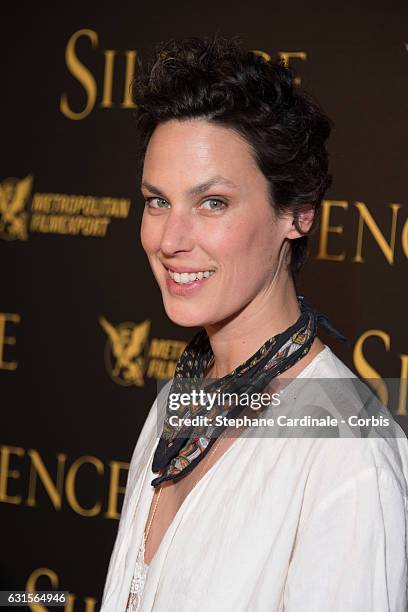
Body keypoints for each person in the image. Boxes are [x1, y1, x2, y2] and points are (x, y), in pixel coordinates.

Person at [100, 34, 408, 611]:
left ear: (296, 214)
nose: (169, 240)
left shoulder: (346, 455)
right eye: (157, 201)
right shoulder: (178, 402)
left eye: (212, 202)